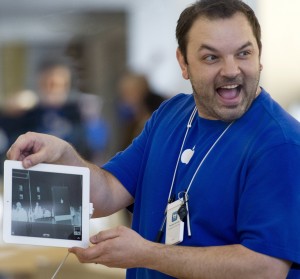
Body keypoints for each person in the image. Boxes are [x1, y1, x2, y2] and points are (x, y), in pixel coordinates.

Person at [6, 0, 300, 278]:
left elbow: (265, 268)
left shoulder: (279, 144)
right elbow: (108, 194)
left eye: (243, 53)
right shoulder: (171, 114)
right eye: (211, 57)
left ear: (259, 55)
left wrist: (146, 254)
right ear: (183, 63)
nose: (231, 70)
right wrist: (64, 155)